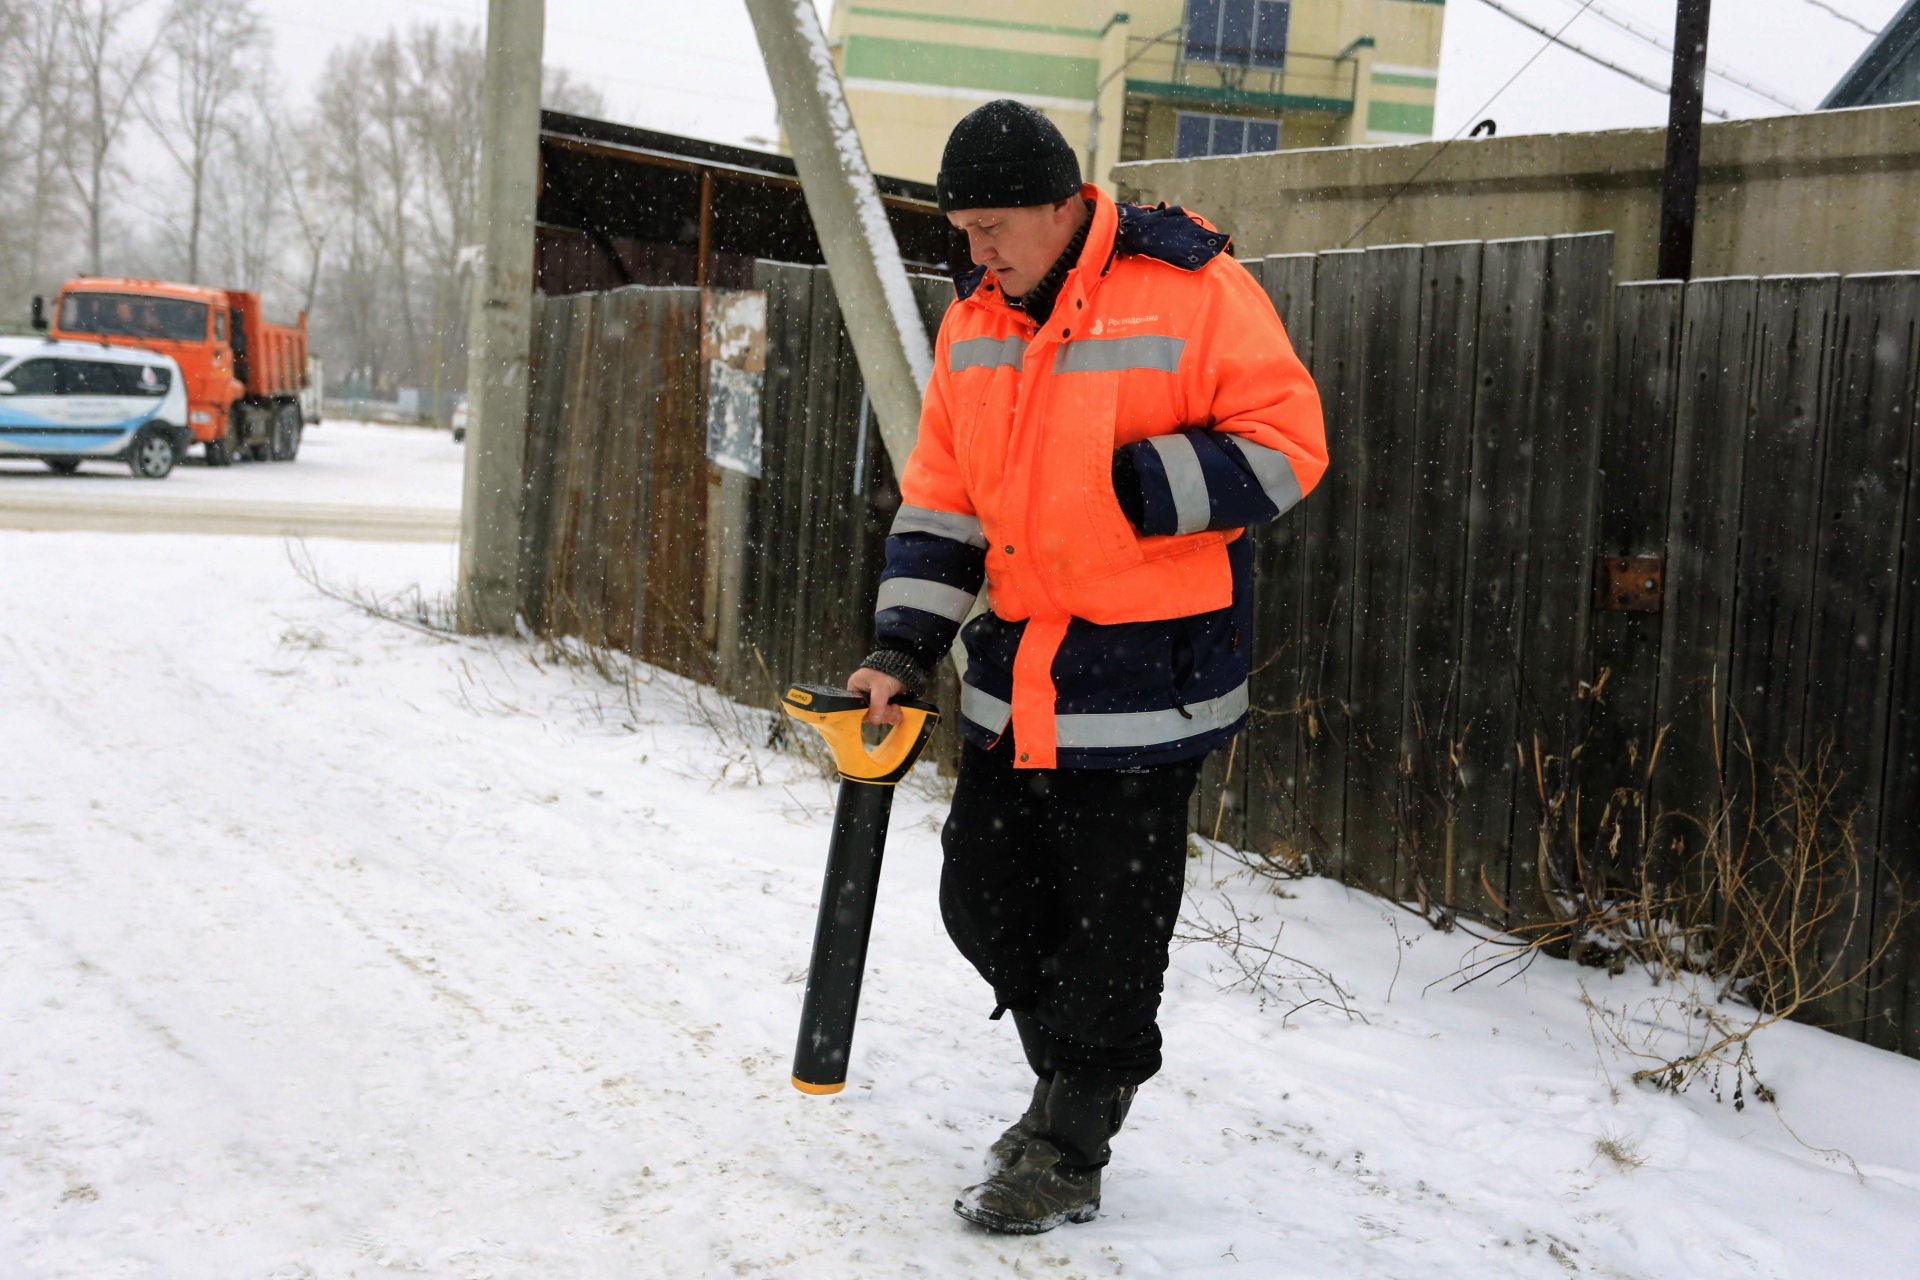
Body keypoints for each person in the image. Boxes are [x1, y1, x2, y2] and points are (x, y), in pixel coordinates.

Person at [847, 99, 1327, 1235]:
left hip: (1147, 682)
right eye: (964, 231)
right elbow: (945, 500)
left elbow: (1288, 443)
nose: (979, 252)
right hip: (1017, 679)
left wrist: (1138, 484)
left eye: (995, 227)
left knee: (1112, 933)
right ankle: (1069, 1080)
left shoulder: (1191, 288)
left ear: (1065, 205)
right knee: (985, 900)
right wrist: (901, 648)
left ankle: (1070, 1142)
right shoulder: (975, 323)